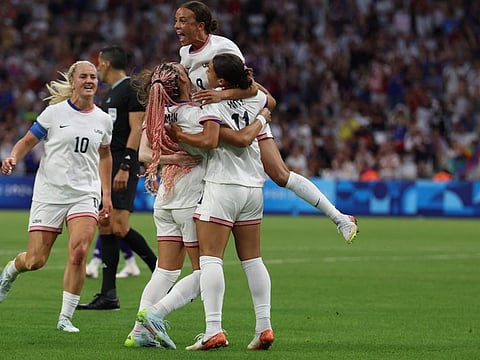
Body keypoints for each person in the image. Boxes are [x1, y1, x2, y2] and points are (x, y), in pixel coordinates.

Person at [175, 1, 358, 243]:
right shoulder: (184, 54)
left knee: (281, 176)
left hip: (245, 117)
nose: (176, 26)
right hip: (218, 121)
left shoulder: (224, 47)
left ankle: (340, 218)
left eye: (183, 21)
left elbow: (248, 86)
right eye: (176, 21)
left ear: (200, 25)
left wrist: (221, 95)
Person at [124, 60, 272, 349]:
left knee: (165, 271)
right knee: (203, 270)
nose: (191, 74)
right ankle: (158, 316)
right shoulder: (196, 112)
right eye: (184, 73)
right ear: (179, 83)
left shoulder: (155, 114)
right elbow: (214, 140)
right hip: (191, 198)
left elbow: (144, 153)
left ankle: (138, 330)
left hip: (165, 196)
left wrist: (169, 160)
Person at [0, 60, 113, 332]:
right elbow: (27, 141)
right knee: (36, 260)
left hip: (84, 194)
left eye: (94, 77)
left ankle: (65, 317)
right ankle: (10, 271)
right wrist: (13, 157)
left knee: (79, 252)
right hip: (49, 194)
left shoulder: (104, 119)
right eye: (84, 76)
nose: (90, 81)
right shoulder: (54, 113)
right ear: (73, 81)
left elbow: (105, 155)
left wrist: (105, 195)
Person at [77, 45, 157, 311]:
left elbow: (137, 128)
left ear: (105, 63)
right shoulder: (112, 93)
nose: (97, 69)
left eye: (99, 65)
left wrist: (125, 164)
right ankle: (108, 295)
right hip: (108, 162)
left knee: (120, 226)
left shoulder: (131, 88)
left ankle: (161, 271)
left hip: (123, 160)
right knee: (107, 224)